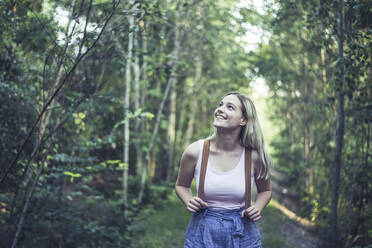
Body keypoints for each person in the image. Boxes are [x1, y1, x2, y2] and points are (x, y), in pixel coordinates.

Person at [175, 91, 273, 248]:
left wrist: (258, 207)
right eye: (220, 105)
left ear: (243, 120)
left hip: (243, 231)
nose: (220, 109)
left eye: (230, 107)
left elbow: (266, 190)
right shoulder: (195, 151)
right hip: (202, 229)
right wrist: (188, 200)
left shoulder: (253, 156)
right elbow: (181, 185)